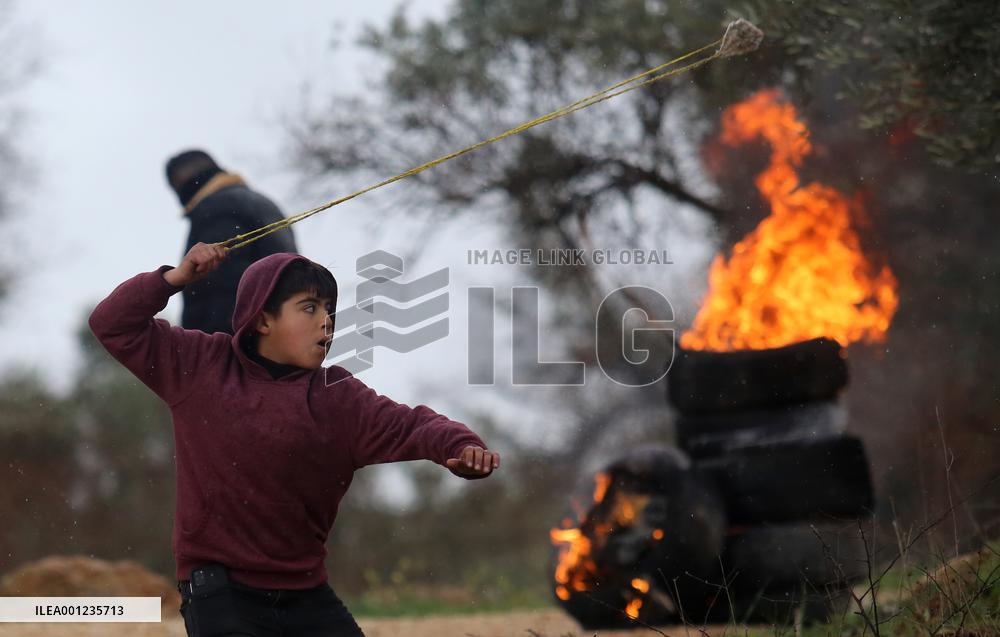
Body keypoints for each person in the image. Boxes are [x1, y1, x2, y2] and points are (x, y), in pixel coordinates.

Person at [88, 242, 500, 636]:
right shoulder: (201, 365)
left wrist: (460, 446)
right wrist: (175, 278)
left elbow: (414, 425)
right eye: (309, 307)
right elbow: (111, 323)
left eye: (330, 311)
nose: (327, 321)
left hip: (306, 593)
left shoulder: (339, 397)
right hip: (219, 591)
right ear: (262, 319)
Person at [165, 149, 298, 335]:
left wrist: (206, 349)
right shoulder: (264, 203)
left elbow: (219, 283)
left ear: (181, 181)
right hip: (278, 333)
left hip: (237, 343)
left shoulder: (215, 208)